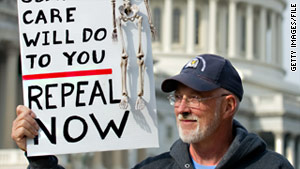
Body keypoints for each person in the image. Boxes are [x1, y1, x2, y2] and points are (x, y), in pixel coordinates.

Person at [11, 54, 294, 169]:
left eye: (195, 98)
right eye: (177, 97)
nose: (182, 108)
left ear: (229, 105)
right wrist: (40, 157)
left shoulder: (272, 167)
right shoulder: (154, 168)